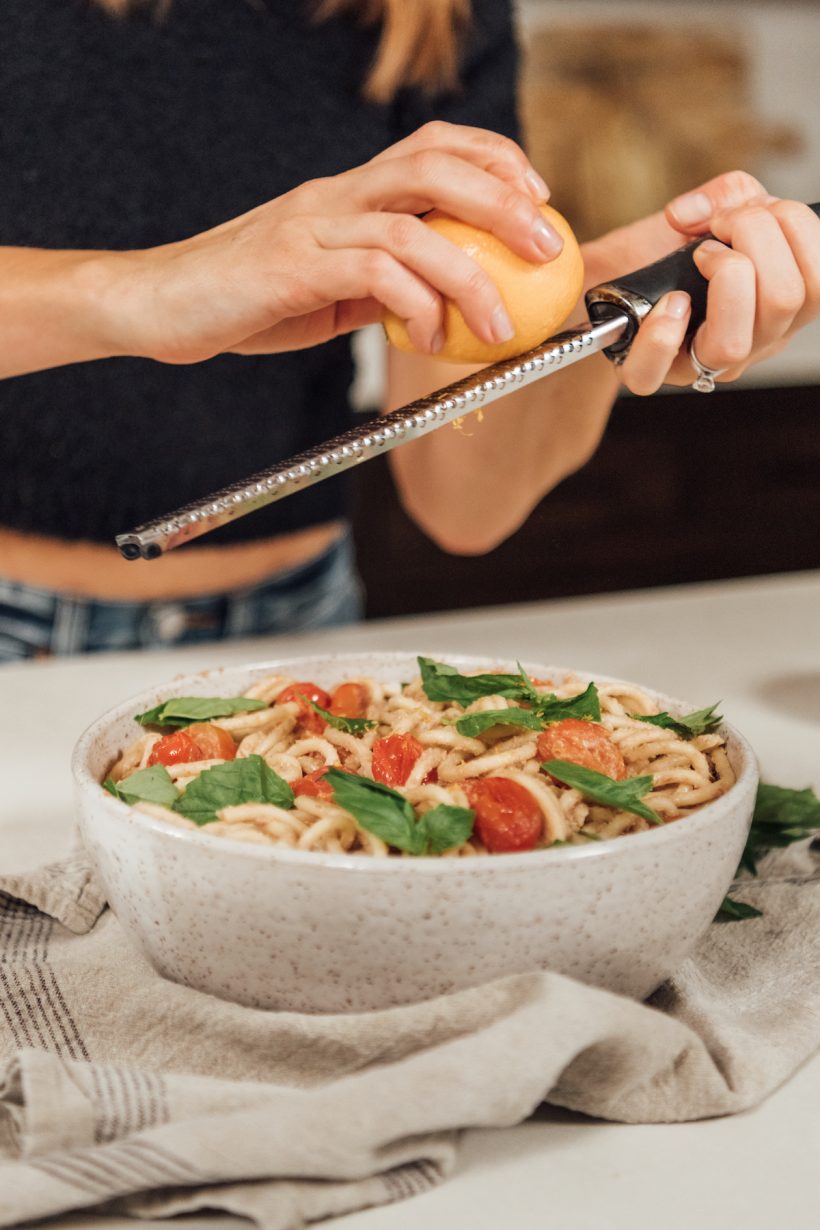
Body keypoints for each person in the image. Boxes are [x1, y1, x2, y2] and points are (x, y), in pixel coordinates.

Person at [1, 0, 817, 661]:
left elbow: (463, 502)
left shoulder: (431, 15)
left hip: (300, 635)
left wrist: (593, 305)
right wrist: (140, 292)